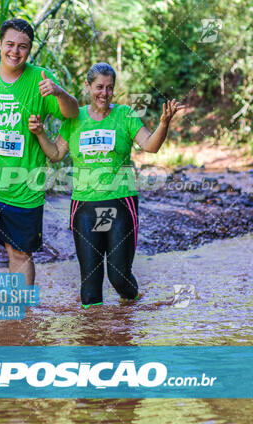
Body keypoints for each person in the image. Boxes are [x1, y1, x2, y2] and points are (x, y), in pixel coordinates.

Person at [28, 62, 186, 308]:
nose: (104, 93)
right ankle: (95, 344)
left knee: (119, 277)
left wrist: (164, 123)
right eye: (99, 87)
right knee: (90, 287)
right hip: (85, 206)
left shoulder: (125, 115)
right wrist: (39, 133)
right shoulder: (75, 118)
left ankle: (132, 308)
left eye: (110, 88)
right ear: (88, 86)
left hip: (121, 203)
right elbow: (56, 153)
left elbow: (150, 145)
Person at [0, 18, 79, 284]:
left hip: (24, 185)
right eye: (10, 44)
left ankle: (22, 320)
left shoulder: (41, 79)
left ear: (29, 50)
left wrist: (59, 93)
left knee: (19, 252)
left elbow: (73, 113)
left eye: (23, 47)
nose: (15, 52)